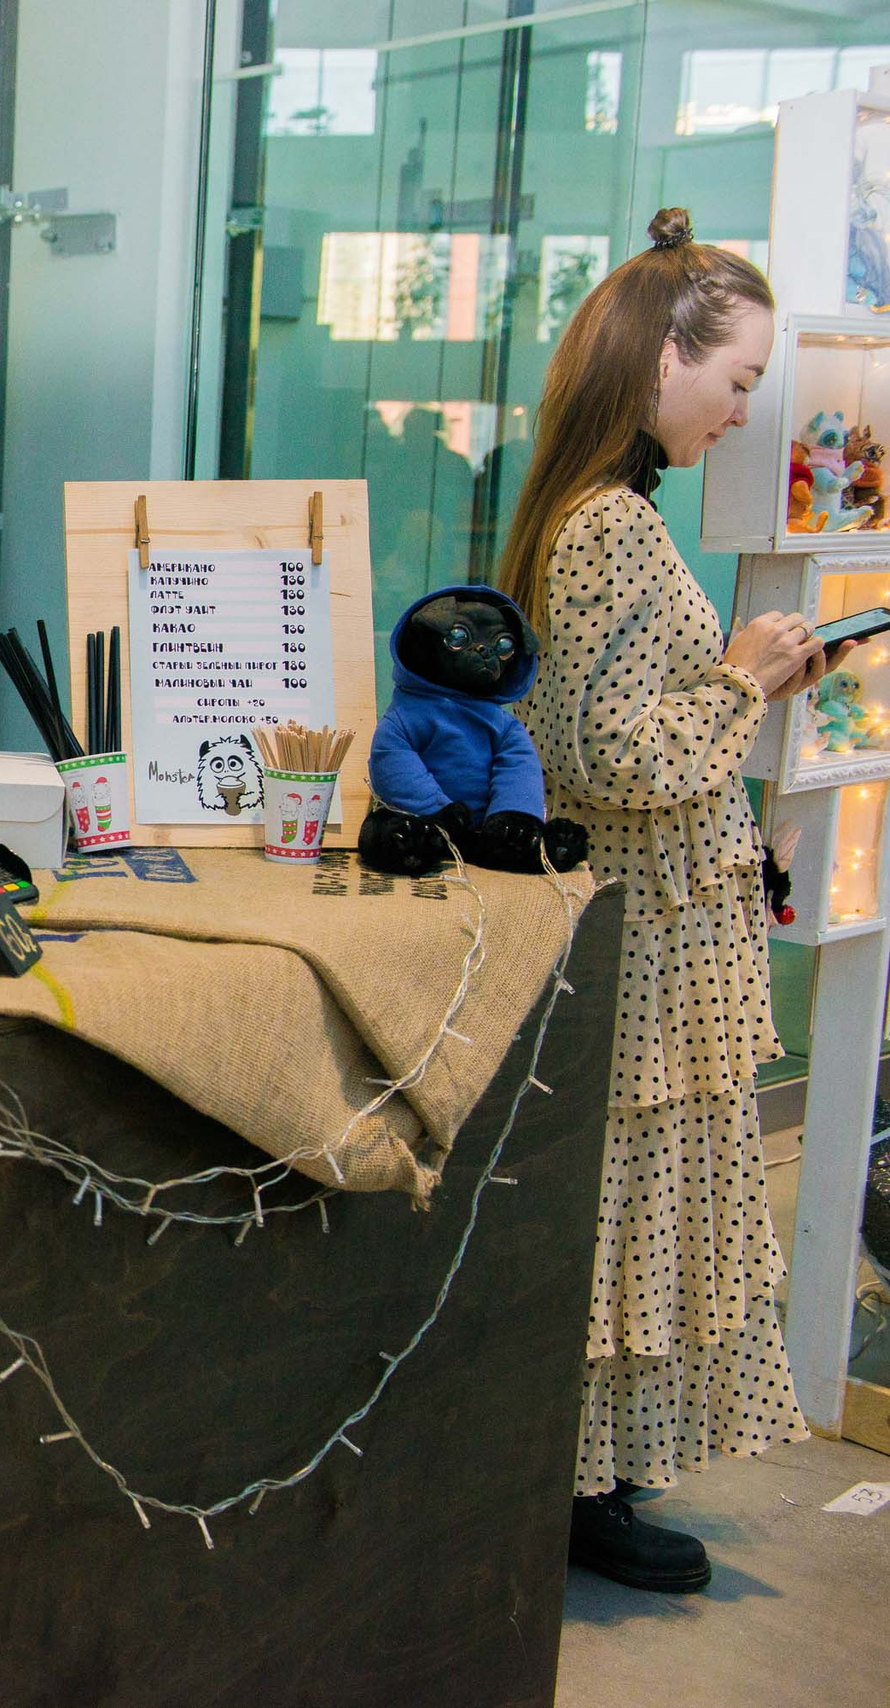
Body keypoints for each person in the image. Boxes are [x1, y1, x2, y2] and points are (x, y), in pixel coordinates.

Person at [499, 206, 839, 1594]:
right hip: (642, 936)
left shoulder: (600, 516)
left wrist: (749, 677)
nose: (741, 411)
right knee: (627, 1211)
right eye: (738, 380)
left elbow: (616, 727)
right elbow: (610, 756)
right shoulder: (611, 526)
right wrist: (743, 677)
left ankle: (597, 1476)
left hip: (663, 927)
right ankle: (582, 1487)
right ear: (663, 358)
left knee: (636, 1209)